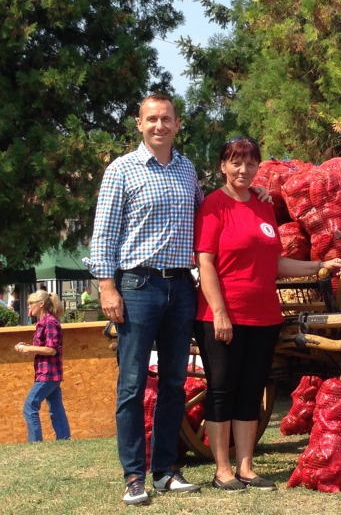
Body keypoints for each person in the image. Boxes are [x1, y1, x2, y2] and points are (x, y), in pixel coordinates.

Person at [194, 137, 341, 491]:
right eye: (236, 162)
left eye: (250, 163)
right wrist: (219, 313)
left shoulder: (263, 206)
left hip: (264, 315)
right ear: (223, 166)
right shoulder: (213, 206)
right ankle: (222, 470)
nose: (243, 170)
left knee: (250, 390)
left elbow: (276, 262)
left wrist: (319, 265)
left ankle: (246, 467)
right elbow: (206, 262)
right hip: (222, 314)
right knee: (222, 390)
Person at [89, 94, 204, 505]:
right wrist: (107, 287)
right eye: (151, 119)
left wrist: (256, 192)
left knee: (175, 382)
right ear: (139, 124)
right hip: (136, 287)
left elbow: (207, 217)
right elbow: (103, 235)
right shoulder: (121, 170)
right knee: (133, 385)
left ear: (176, 124)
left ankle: (166, 471)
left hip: (181, 287)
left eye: (166, 119)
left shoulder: (188, 170)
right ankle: (133, 475)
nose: (159, 125)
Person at [14, 289, 71, 442]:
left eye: (31, 303)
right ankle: (64, 439)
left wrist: (29, 348)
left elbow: (51, 350)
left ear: (41, 304)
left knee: (30, 407)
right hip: (47, 373)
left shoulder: (50, 322)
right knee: (56, 409)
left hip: (48, 374)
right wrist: (27, 346)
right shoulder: (42, 323)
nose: (28, 307)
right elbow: (44, 348)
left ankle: (35, 443)